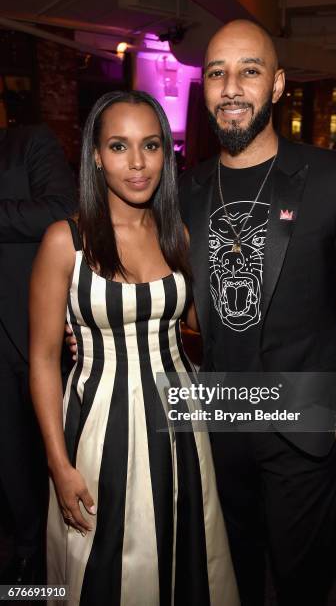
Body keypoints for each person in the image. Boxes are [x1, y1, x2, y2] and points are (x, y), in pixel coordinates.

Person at [177, 20, 336, 606]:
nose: (231, 87)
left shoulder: (333, 177)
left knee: (303, 586)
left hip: (306, 425)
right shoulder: (187, 188)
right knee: (231, 579)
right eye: (217, 73)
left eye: (249, 70)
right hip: (217, 425)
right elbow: (179, 305)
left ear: (275, 85)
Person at [29, 91, 239, 606]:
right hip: (100, 425)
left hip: (181, 419)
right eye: (119, 146)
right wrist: (58, 463)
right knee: (104, 562)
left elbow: (203, 324)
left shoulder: (177, 236)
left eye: (150, 145)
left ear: (166, 153)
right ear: (95, 156)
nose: (138, 163)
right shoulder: (65, 242)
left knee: (183, 546)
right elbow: (40, 359)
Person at [0, 123, 75, 584]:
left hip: (32, 330)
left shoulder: (28, 142)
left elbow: (62, 209)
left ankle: (69, 553)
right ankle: (29, 551)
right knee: (8, 454)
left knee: (57, 448)